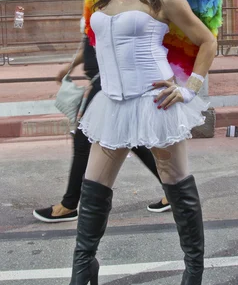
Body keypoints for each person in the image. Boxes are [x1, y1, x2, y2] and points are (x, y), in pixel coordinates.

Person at [41, 0, 217, 285]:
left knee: (176, 183)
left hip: (156, 103)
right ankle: (84, 268)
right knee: (94, 186)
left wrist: (191, 85)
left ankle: (193, 270)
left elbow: (207, 41)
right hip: (112, 104)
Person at [33, 25, 171, 224]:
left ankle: (69, 205)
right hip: (103, 81)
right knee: (132, 140)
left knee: (82, 142)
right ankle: (172, 189)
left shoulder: (110, 3)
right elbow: (90, 44)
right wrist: (70, 66)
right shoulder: (96, 4)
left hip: (108, 83)